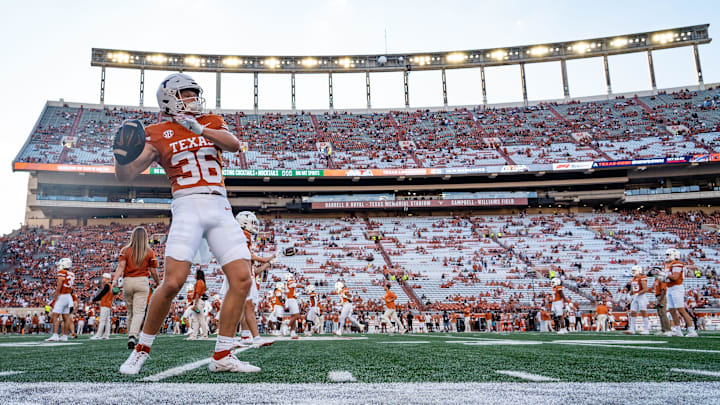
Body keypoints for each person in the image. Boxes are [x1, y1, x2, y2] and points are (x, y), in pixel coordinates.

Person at [118, 73, 258, 375]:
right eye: (187, 93)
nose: (195, 98)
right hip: (187, 204)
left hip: (220, 205)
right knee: (173, 282)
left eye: (195, 93)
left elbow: (234, 145)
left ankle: (222, 354)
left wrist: (200, 128)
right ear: (170, 98)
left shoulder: (211, 120)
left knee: (242, 279)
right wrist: (120, 155)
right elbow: (126, 175)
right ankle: (141, 350)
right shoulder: (156, 131)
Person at [112, 227, 160, 350]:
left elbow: (121, 266)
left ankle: (131, 335)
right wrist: (158, 282)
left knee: (130, 312)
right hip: (142, 281)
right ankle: (133, 335)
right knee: (139, 312)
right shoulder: (149, 252)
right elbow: (153, 271)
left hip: (127, 281)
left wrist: (114, 281)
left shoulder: (125, 250)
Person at [231, 211, 274, 347]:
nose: (254, 225)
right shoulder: (243, 234)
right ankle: (230, 339)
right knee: (238, 308)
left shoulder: (243, 234)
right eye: (252, 222)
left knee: (247, 307)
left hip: (242, 273)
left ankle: (253, 338)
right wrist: (265, 259)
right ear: (243, 223)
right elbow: (247, 254)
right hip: (240, 274)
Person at [664, 248, 698, 337]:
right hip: (670, 288)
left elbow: (675, 277)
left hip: (677, 288)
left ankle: (692, 331)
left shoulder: (677, 263)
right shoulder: (668, 264)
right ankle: (678, 330)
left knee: (681, 310)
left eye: (668, 254)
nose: (666, 256)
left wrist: (664, 275)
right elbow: (666, 279)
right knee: (671, 310)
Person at [46, 258, 74, 342]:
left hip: (62, 296)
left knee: (55, 316)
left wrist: (55, 299)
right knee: (66, 317)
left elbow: (59, 286)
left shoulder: (62, 273)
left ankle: (55, 335)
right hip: (68, 296)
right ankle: (64, 336)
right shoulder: (72, 274)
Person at [625, 265, 651, 335]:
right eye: (632, 270)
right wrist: (629, 294)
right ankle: (632, 329)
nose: (633, 272)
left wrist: (638, 293)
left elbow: (645, 289)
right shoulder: (633, 278)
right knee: (633, 312)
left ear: (638, 271)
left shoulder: (642, 277)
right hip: (635, 297)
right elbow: (633, 289)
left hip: (641, 296)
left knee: (643, 312)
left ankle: (646, 329)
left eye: (634, 270)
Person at [91, 273, 116, 340]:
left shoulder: (107, 285)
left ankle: (98, 335)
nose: (102, 279)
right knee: (107, 320)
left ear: (107, 278)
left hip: (105, 304)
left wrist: (94, 299)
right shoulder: (110, 285)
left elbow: (102, 294)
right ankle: (106, 335)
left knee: (102, 320)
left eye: (103, 278)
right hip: (108, 304)